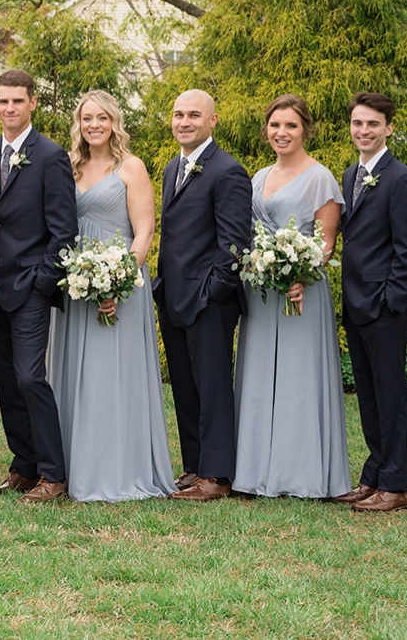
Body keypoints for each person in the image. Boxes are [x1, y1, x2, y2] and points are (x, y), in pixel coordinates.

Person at [47, 90, 176, 502]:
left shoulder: (131, 167)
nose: (94, 125)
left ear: (114, 121)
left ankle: (118, 469)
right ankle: (74, 466)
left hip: (119, 284)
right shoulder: (69, 165)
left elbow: (144, 232)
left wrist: (119, 281)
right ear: (79, 124)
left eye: (102, 118)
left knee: (111, 375)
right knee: (76, 373)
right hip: (77, 281)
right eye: (87, 118)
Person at [232, 95, 349, 499]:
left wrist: (301, 275)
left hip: (303, 291)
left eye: (291, 126)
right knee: (259, 375)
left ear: (306, 130)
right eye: (275, 125)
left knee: (299, 377)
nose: (281, 133)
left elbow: (327, 242)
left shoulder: (321, 179)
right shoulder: (257, 177)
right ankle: (254, 471)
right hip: (262, 292)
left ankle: (300, 474)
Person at [0, 70, 78, 503]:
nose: (10, 108)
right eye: (3, 101)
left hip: (30, 287)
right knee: (7, 382)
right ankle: (24, 464)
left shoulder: (51, 156)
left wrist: (41, 282)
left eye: (18, 101)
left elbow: (64, 231)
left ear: (32, 103)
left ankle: (54, 475)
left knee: (31, 377)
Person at [154, 89, 253, 503]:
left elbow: (235, 245)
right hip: (174, 296)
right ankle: (195, 465)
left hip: (209, 301)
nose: (184, 121)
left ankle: (216, 475)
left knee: (212, 385)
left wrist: (210, 293)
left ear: (213, 121)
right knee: (184, 384)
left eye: (194, 115)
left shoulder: (227, 171)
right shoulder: (171, 168)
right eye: (178, 114)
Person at [336, 92, 407, 513]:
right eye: (357, 123)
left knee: (390, 396)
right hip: (356, 306)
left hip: (384, 308)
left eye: (372, 124)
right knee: (369, 396)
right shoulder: (350, 173)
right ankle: (373, 476)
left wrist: (392, 301)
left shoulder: (400, 177)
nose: (364, 131)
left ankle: (396, 485)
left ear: (389, 128)